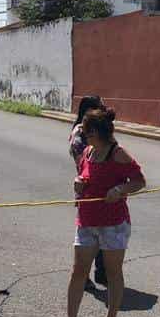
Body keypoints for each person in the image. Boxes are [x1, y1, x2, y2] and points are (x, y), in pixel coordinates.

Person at [63, 109, 146, 317]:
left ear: (97, 132)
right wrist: (78, 184)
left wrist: (119, 190)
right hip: (87, 220)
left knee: (112, 273)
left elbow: (139, 181)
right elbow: (83, 177)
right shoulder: (88, 152)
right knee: (79, 271)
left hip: (113, 223)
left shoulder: (118, 154)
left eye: (85, 132)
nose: (82, 137)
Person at [70, 95, 108, 289]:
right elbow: (83, 162)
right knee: (88, 237)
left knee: (105, 232)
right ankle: (82, 275)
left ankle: (103, 272)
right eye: (101, 107)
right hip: (87, 190)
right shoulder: (79, 132)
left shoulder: (101, 130)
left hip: (104, 189)